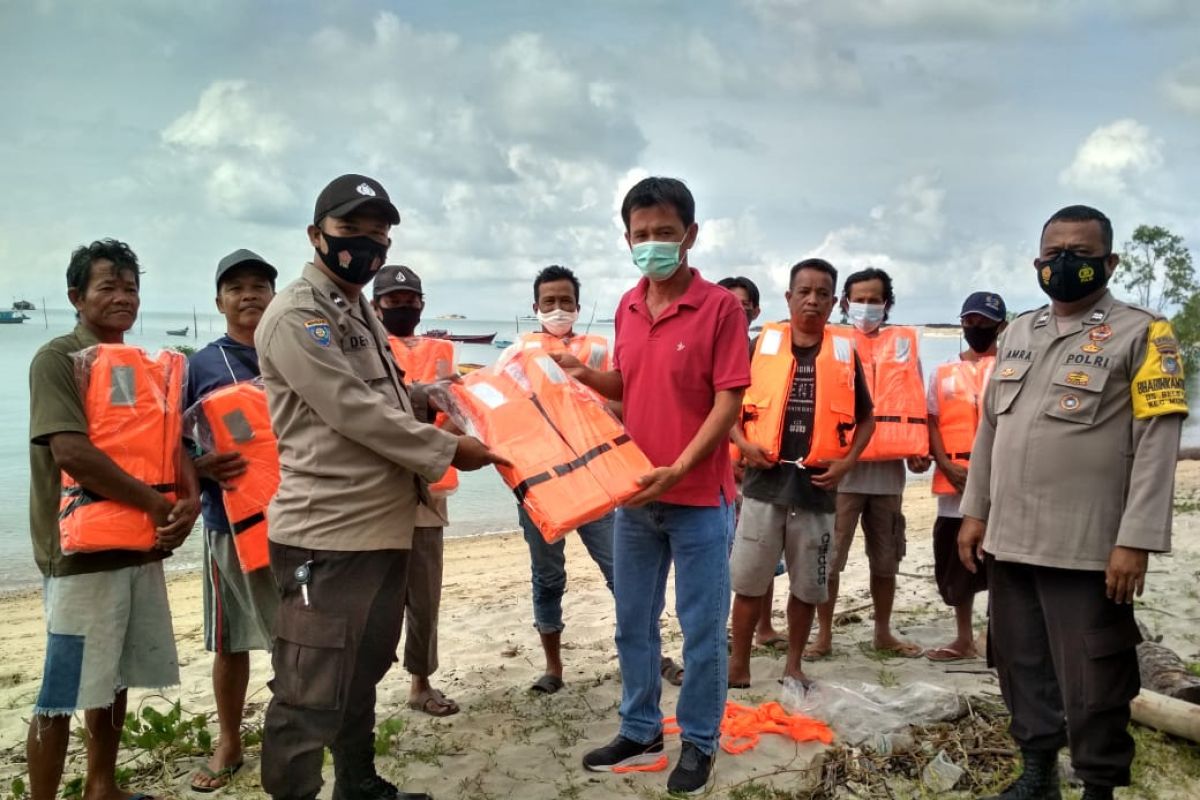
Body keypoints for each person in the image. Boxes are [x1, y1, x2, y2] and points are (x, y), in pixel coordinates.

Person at [255, 174, 507, 800]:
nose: (368, 246)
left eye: (379, 235)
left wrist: (433, 395)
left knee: (362, 671)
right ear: (316, 235)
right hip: (328, 536)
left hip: (383, 528)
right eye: (351, 232)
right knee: (309, 690)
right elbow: (350, 410)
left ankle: (360, 786)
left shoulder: (354, 306)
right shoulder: (297, 315)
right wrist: (451, 450)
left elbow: (381, 397)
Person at [960, 205, 1187, 800]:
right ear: (1037, 261)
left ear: (1109, 263)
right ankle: (1036, 773)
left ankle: (1099, 786)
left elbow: (1157, 442)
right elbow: (990, 430)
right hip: (1009, 538)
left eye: (1080, 255)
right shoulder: (1018, 331)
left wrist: (1135, 539)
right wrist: (974, 511)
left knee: (1095, 676)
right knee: (1019, 662)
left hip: (1088, 546)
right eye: (1053, 253)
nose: (1063, 265)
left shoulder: (1144, 333)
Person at [555, 177, 751, 795]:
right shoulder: (626, 306)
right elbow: (629, 385)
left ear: (690, 235)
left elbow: (728, 403)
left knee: (700, 631)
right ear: (626, 239)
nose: (652, 245)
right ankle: (640, 726)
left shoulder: (721, 307)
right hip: (636, 498)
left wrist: (683, 466)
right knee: (632, 622)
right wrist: (582, 375)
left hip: (699, 502)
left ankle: (698, 741)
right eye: (641, 235)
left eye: (664, 233)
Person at [25, 239, 200, 800]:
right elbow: (71, 452)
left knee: (116, 679)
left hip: (139, 549)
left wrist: (186, 505)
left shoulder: (146, 367)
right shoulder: (57, 360)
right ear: (77, 296)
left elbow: (172, 446)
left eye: (130, 287)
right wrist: (156, 505)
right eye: (108, 286)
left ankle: (102, 786)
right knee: (62, 689)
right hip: (79, 561)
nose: (123, 297)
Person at [728, 259, 875, 687]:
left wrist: (847, 463)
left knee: (808, 586)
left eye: (823, 293)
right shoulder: (761, 346)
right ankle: (739, 664)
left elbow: (867, 419)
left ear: (834, 303)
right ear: (789, 297)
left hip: (816, 491)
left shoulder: (845, 354)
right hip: (762, 487)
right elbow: (729, 402)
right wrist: (740, 442)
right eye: (804, 291)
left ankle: (794, 664)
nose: (812, 300)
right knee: (750, 581)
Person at [185, 249, 282, 791]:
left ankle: (294, 733)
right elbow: (172, 448)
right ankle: (229, 740)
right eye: (236, 287)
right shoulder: (199, 365)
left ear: (274, 296)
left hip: (298, 520)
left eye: (259, 286)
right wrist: (199, 466)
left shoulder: (290, 353)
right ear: (218, 300)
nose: (249, 296)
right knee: (229, 641)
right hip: (229, 522)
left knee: (297, 639)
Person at [506, 264, 616, 695]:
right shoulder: (516, 355)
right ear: (535, 307)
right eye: (548, 302)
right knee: (548, 577)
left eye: (565, 302)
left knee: (620, 572)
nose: (557, 309)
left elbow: (624, 403)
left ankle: (650, 654)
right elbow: (503, 416)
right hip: (541, 485)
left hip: (598, 481)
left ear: (578, 306)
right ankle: (553, 667)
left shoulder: (600, 351)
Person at [808, 267, 928, 660]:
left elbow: (916, 401)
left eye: (875, 300)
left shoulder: (904, 345)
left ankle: (882, 631)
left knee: (886, 558)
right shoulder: (832, 342)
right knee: (830, 557)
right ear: (844, 303)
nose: (866, 306)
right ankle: (823, 635)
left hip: (888, 475)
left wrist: (919, 448)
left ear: (887, 304)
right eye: (859, 299)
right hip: (840, 472)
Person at [371, 264, 459, 717]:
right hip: (374, 489)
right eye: (393, 300)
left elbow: (460, 411)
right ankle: (360, 684)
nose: (403, 307)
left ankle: (421, 682)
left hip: (428, 488)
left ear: (422, 304)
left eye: (410, 300)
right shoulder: (361, 348)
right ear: (375, 304)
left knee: (424, 595)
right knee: (370, 594)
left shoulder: (442, 351)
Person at [923, 291, 1006, 663]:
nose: (977, 328)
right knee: (956, 563)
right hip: (954, 481)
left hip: (1002, 483)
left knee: (1001, 563)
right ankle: (963, 637)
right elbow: (933, 420)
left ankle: (1000, 638)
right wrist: (943, 462)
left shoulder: (1013, 367)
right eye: (970, 321)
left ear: (1001, 326)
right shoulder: (942, 371)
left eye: (985, 322)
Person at [719, 275, 787, 652]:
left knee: (764, 551)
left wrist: (749, 453)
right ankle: (725, 626)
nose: (732, 312)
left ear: (755, 312)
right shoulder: (704, 351)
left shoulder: (767, 357)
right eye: (724, 304)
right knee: (720, 554)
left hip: (757, 469)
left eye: (741, 306)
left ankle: (764, 625)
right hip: (716, 470)